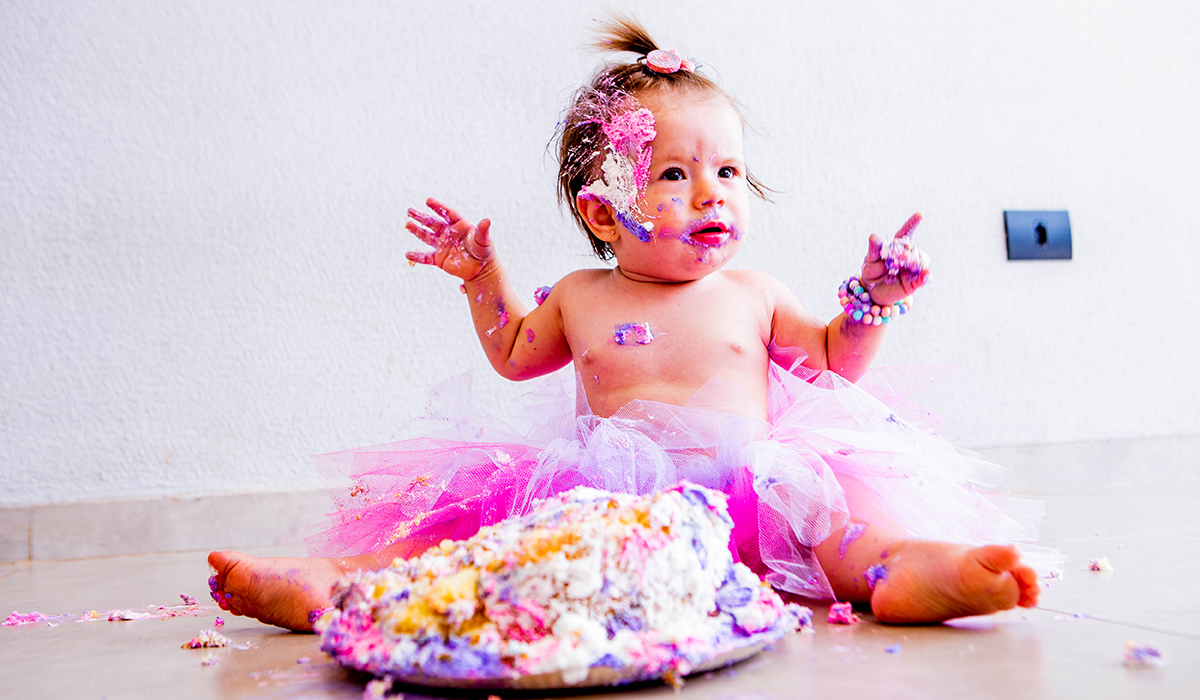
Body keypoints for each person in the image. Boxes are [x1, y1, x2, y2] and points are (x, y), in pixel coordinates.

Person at [209, 17, 1050, 633]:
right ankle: (341, 580)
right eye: (675, 175)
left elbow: (834, 363)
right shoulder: (580, 296)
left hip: (751, 497)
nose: (713, 192)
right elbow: (513, 355)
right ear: (604, 211)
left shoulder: (755, 293)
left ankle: (906, 570)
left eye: (728, 170)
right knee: (481, 544)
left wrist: (874, 300)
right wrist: (483, 279)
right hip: (607, 503)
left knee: (835, 529)